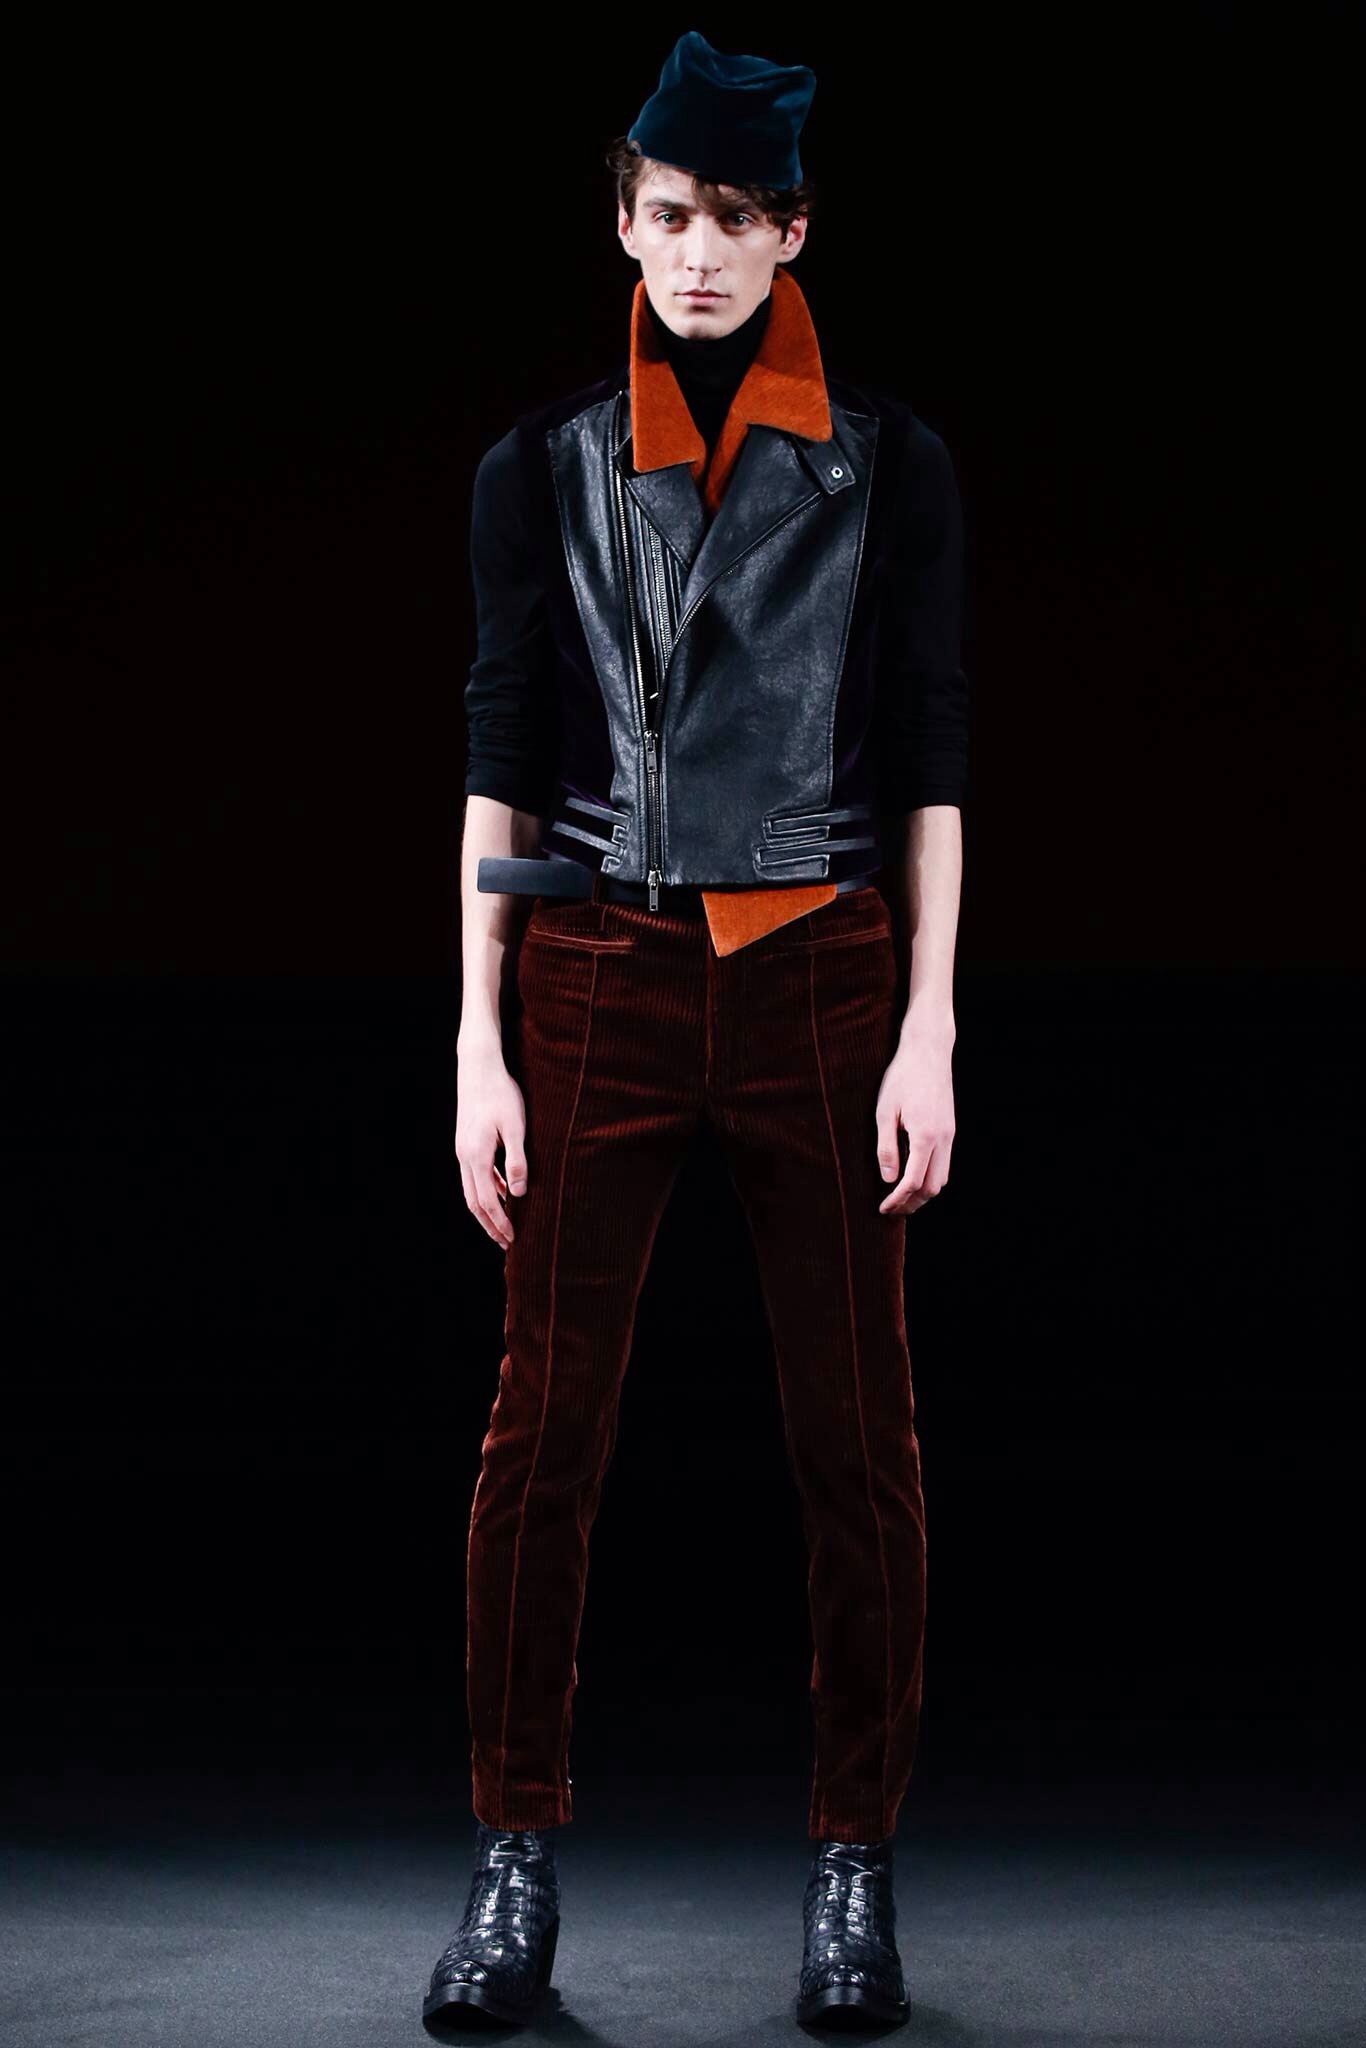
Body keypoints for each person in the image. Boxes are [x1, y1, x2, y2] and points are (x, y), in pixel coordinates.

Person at [425, 28, 970, 2032]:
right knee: (539, 1436)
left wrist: (928, 1025)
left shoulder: (890, 464)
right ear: (624, 224)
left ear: (792, 232)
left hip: (821, 965)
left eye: (737, 218)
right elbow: (499, 751)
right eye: (668, 214)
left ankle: (852, 1863)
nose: (699, 253)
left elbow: (927, 759)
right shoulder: (540, 465)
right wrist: (474, 1037)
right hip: (597, 967)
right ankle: (510, 1858)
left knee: (855, 1441)